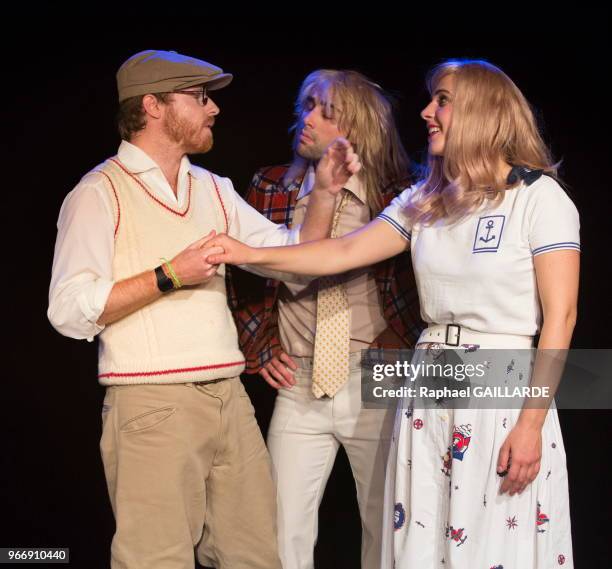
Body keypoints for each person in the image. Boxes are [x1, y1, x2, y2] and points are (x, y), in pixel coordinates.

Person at [206, 59, 579, 568]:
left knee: (490, 544)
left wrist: (530, 426)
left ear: (483, 110)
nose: (427, 111)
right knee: (417, 548)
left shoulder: (538, 198)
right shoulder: (427, 199)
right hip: (428, 384)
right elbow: (338, 254)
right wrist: (246, 253)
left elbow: (561, 319)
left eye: (441, 100)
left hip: (500, 389)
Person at [47, 50, 359, 569]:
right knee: (156, 559)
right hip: (151, 402)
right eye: (199, 97)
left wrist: (324, 194)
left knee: (257, 555)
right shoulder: (100, 192)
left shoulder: (213, 187)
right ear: (152, 106)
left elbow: (291, 258)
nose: (212, 109)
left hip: (229, 399)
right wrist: (169, 275)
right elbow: (68, 310)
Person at [226, 69, 423, 569]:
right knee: (280, 529)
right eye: (304, 106)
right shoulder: (272, 186)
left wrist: (403, 341)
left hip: (374, 378)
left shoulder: (405, 194)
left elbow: (424, 282)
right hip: (300, 380)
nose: (306, 118)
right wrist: (262, 346)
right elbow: (249, 276)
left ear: (356, 124)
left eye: (323, 109)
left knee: (387, 525)